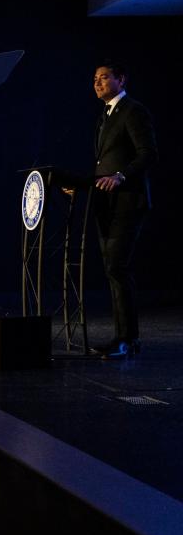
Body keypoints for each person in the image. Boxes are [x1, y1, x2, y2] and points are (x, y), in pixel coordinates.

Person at [89, 62, 158, 359]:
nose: (98, 83)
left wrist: (122, 176)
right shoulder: (105, 116)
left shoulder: (133, 110)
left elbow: (148, 154)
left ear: (121, 79)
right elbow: (104, 161)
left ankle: (127, 340)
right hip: (107, 204)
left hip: (128, 201)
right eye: (95, 79)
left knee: (117, 267)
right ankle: (124, 338)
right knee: (111, 269)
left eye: (105, 77)